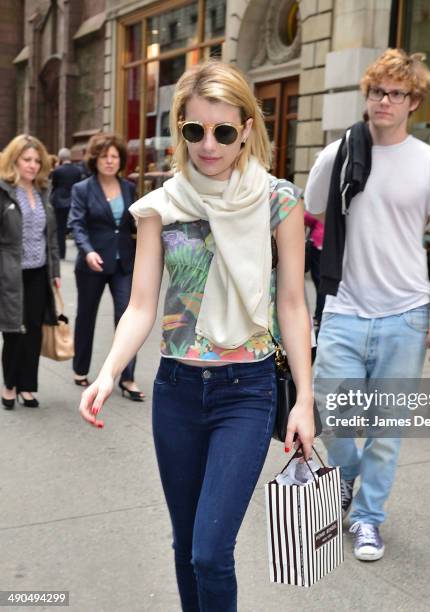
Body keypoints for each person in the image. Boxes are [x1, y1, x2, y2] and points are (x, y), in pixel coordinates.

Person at [78, 61, 314, 611]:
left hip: (247, 390)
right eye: (195, 130)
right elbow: (141, 305)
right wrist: (109, 371)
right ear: (180, 128)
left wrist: (304, 399)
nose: (209, 145)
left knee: (211, 550)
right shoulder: (161, 206)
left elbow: (294, 303)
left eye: (224, 131)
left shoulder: (279, 201)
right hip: (178, 391)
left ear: (246, 130)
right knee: (186, 545)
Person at [304, 48, 430, 562]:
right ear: (367, 95)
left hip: (405, 315)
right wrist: (329, 161)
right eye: (377, 92)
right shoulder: (340, 153)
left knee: (387, 431)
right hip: (344, 310)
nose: (385, 101)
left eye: (397, 94)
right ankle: (347, 476)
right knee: (335, 415)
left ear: (413, 101)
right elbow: (310, 209)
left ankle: (368, 519)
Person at [68, 132, 144, 400]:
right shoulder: (82, 189)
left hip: (123, 262)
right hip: (93, 264)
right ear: (95, 159)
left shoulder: (128, 188)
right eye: (104, 156)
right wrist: (87, 251)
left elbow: (134, 223)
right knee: (86, 317)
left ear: (120, 160)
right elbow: (76, 224)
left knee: (127, 318)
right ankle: (80, 368)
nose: (110, 161)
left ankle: (127, 377)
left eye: (114, 156)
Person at [0, 135, 61, 409]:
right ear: (14, 159)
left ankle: (28, 386)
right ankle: (10, 385)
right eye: (27, 159)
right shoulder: (3, 192)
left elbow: (52, 237)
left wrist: (56, 271)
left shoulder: (42, 192)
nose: (33, 165)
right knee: (14, 331)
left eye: (37, 160)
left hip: (39, 272)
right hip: (10, 273)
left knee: (34, 330)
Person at [50, 147, 83, 259]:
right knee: (75, 225)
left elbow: (54, 184)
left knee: (60, 227)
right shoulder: (77, 170)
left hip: (59, 201)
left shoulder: (57, 171)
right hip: (73, 200)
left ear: (60, 158)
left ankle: (61, 253)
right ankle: (81, 251)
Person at [304, 210, 325, 330]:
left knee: (320, 283)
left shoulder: (320, 204)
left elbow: (307, 217)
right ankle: (319, 314)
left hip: (318, 244)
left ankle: (320, 314)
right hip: (332, 246)